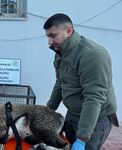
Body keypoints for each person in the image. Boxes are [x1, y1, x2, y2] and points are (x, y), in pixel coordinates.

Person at [44, 13, 119, 150]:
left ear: (69, 31)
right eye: (48, 36)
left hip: (95, 120)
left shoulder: (93, 55)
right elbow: (60, 83)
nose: (49, 42)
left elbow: (94, 97)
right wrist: (48, 111)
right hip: (73, 114)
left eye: (53, 36)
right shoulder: (61, 51)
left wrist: (83, 138)